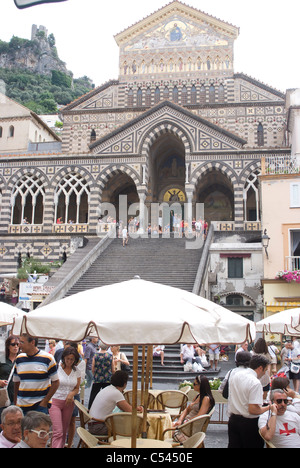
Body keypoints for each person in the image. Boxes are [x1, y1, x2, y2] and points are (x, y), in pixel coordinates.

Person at [228, 354, 271, 448]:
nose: (265, 373)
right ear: (260, 368)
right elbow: (253, 410)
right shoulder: (255, 382)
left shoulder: (236, 375)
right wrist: (269, 407)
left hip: (233, 420)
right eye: (266, 370)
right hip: (249, 424)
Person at [13, 334, 59, 415]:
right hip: (21, 406)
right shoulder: (19, 359)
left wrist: (45, 402)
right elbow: (17, 382)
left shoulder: (48, 358)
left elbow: (56, 382)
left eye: (22, 342)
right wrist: (16, 402)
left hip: (39, 406)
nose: (19, 345)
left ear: (32, 342)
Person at [89, 370, 143, 436]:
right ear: (125, 384)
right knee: (129, 429)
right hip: (99, 427)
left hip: (93, 424)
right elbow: (129, 410)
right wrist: (138, 409)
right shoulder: (116, 393)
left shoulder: (108, 388)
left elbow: (124, 407)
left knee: (123, 425)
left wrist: (136, 408)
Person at [49, 347, 81, 448]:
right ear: (63, 358)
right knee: (58, 431)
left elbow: (77, 388)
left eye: (72, 359)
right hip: (55, 400)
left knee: (64, 430)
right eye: (67, 359)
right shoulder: (57, 368)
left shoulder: (77, 371)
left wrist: (71, 394)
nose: (69, 361)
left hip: (68, 403)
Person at [172, 375, 215, 443]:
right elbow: (186, 410)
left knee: (165, 431)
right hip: (186, 425)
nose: (193, 385)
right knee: (166, 425)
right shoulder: (198, 396)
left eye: (195, 384)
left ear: (201, 386)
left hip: (190, 431)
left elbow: (199, 416)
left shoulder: (206, 399)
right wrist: (180, 421)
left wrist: (186, 422)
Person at [88, 344, 114, 409]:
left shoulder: (96, 355)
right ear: (107, 347)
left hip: (97, 378)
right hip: (107, 378)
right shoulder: (110, 356)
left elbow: (92, 367)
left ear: (99, 347)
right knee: (107, 395)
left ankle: (90, 408)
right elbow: (113, 369)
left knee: (94, 394)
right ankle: (107, 408)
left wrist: (95, 374)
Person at [0, 335, 20, 419]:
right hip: (3, 395)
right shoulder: (2, 359)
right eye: (13, 344)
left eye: (17, 344)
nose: (16, 347)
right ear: (8, 346)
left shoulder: (21, 359)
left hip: (17, 396)